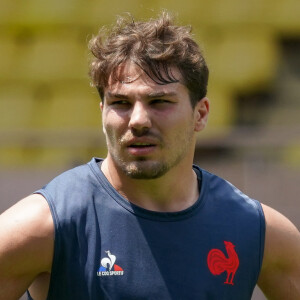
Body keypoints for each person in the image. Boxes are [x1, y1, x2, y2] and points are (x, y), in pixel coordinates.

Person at [0, 12, 299, 300]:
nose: (138, 120)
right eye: (120, 102)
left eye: (159, 101)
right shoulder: (45, 225)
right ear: (103, 112)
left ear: (201, 114)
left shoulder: (254, 229)